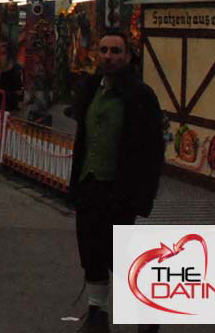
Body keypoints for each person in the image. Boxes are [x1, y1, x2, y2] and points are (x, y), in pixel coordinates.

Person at [67, 29, 164, 333]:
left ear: (129, 56)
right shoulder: (92, 86)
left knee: (119, 255)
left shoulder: (140, 95)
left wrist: (143, 196)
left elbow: (152, 149)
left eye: (116, 51)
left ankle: (145, 312)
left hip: (120, 188)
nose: (108, 57)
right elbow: (84, 136)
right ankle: (97, 316)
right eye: (104, 50)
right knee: (91, 250)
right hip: (89, 183)